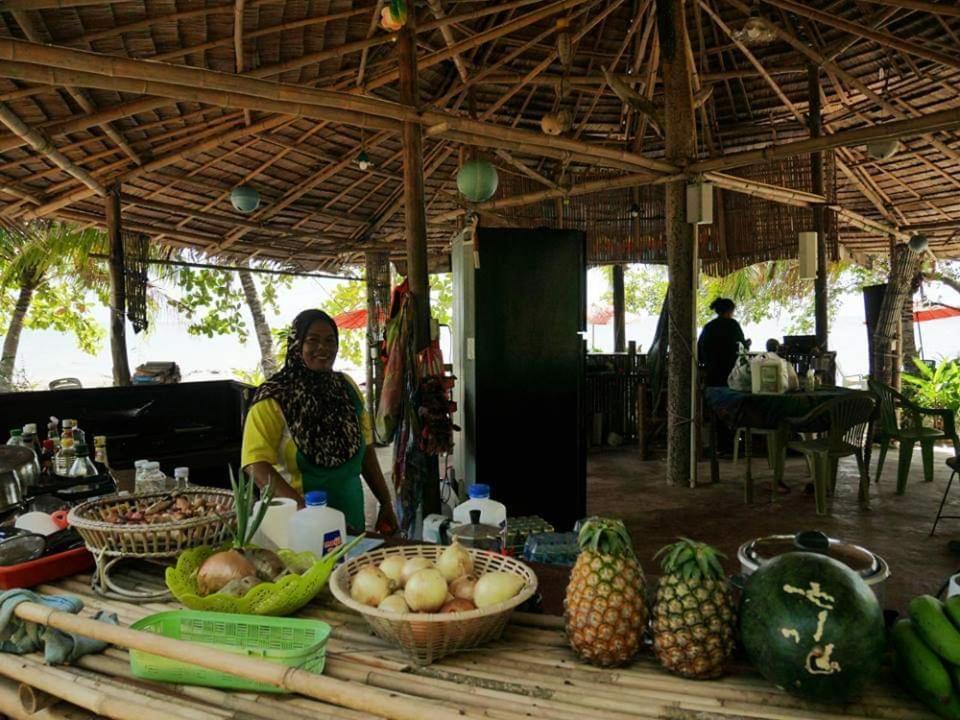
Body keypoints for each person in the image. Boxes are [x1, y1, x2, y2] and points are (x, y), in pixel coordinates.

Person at [241, 309, 399, 534]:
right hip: (299, 524)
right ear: (297, 345)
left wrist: (385, 502)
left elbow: (366, 450)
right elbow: (255, 464)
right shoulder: (274, 397)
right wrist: (307, 513)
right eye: (312, 340)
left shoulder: (346, 388)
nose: (323, 348)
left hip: (351, 519)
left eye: (330, 341)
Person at [698, 298, 748, 387]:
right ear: (730, 310)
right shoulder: (733, 325)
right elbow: (743, 347)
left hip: (712, 375)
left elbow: (700, 350)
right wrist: (748, 344)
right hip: (730, 374)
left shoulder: (708, 327)